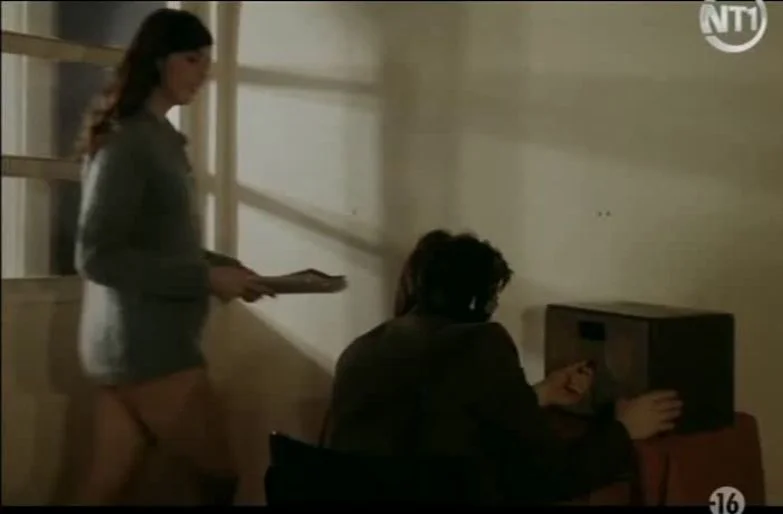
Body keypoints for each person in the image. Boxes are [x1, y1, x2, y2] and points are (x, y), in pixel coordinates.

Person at [72, 8, 272, 505]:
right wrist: (205, 279)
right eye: (192, 59)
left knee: (105, 489)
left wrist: (223, 268)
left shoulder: (158, 139)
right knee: (220, 478)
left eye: (207, 61)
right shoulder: (129, 142)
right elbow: (96, 256)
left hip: (130, 349)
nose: (203, 73)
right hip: (150, 349)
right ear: (159, 61)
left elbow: (165, 243)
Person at [321, 231, 683, 504]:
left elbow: (434, 415)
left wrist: (536, 395)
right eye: (493, 297)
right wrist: (624, 428)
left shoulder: (362, 348)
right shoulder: (481, 342)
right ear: (477, 300)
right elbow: (547, 478)